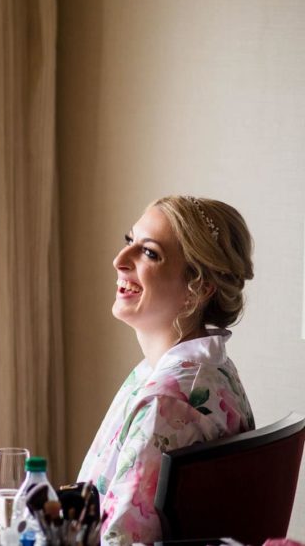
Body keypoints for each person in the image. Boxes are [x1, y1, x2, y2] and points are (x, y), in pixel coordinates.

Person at [78, 196, 255, 544]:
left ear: (198, 288)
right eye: (130, 242)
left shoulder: (167, 404)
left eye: (149, 253)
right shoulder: (214, 370)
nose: (119, 260)